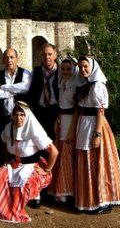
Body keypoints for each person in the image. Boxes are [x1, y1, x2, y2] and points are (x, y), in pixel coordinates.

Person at [0, 101, 59, 223]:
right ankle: (0, 205)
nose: (18, 118)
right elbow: (4, 142)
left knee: (22, 177)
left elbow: (54, 152)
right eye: (16, 114)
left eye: (22, 115)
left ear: (27, 116)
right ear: (12, 116)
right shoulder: (9, 128)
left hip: (31, 165)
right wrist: (8, 160)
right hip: (14, 163)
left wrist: (46, 170)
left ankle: (33, 197)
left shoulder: (34, 130)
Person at [74, 56, 120, 213]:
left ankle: (103, 201)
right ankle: (89, 201)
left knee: (98, 162)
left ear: (92, 68)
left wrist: (97, 134)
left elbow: (100, 111)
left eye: (85, 67)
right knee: (86, 162)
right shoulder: (84, 84)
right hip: (84, 124)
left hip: (95, 125)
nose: (83, 70)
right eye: (81, 67)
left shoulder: (97, 86)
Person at [0, 48, 31, 166]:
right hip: (4, 118)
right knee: (4, 150)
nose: (9, 60)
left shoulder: (25, 73)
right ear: (3, 60)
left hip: (21, 118)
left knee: (21, 150)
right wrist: (12, 91)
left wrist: (4, 87)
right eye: (7, 57)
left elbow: (25, 88)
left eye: (12, 57)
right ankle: (4, 179)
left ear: (17, 59)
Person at [46, 56, 78, 202]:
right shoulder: (62, 81)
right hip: (62, 119)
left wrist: (71, 127)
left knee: (68, 152)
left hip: (71, 119)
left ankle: (69, 190)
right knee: (61, 150)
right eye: (63, 69)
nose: (65, 71)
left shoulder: (76, 84)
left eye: (68, 69)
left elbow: (76, 107)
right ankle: (61, 189)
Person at [27, 43, 59, 139]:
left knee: (56, 141)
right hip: (39, 112)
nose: (47, 57)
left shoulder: (62, 71)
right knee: (39, 141)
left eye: (49, 54)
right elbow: (31, 91)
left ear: (55, 55)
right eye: (44, 54)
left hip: (55, 112)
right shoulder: (35, 72)